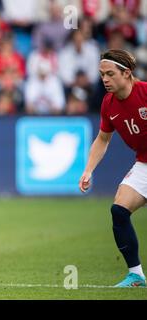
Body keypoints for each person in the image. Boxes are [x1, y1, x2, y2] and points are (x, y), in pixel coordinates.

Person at [79, 49, 146, 287]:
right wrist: (88, 170)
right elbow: (102, 139)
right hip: (144, 165)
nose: (105, 79)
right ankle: (136, 275)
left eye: (109, 74)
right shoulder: (108, 104)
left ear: (126, 73)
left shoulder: (145, 93)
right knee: (119, 211)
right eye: (101, 75)